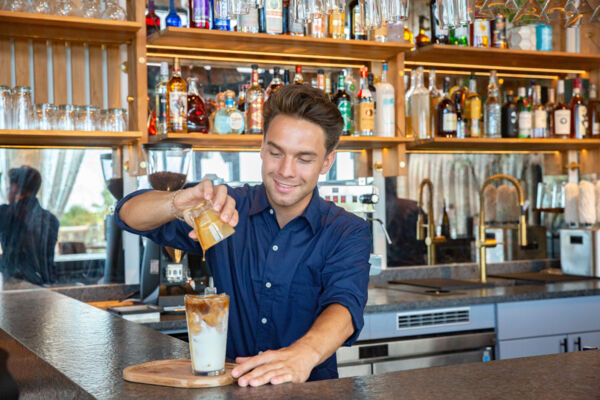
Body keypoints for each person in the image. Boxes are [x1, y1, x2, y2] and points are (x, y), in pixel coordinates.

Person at [116, 84, 371, 386]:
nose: (286, 171)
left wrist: (304, 353)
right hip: (231, 389)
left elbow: (344, 305)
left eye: (304, 159)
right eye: (276, 153)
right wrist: (176, 203)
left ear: (326, 161)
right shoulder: (224, 211)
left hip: (311, 391)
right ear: (261, 148)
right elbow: (127, 216)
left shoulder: (346, 230)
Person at [0, 166, 59, 285]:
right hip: (46, 288)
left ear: (15, 187)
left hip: (15, 287)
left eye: (8, 187)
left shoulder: (6, 214)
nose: (7, 190)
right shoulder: (51, 219)